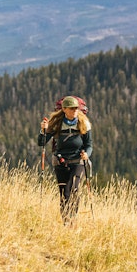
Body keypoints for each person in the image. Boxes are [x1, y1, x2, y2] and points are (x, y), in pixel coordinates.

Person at [38, 96, 92, 226]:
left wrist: (87, 155)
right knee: (64, 193)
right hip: (60, 162)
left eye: (76, 108)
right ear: (64, 109)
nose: (74, 111)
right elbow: (42, 142)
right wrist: (43, 130)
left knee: (74, 189)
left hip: (78, 161)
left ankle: (72, 219)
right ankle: (66, 222)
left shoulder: (83, 123)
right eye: (72, 109)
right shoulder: (56, 123)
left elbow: (89, 145)